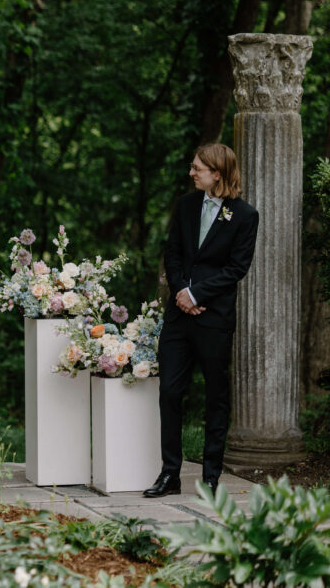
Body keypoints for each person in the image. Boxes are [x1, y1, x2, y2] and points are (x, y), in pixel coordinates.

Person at [144, 143, 258, 498]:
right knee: (169, 393)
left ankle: (210, 478)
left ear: (217, 173)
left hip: (214, 318)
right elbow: (173, 252)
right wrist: (181, 292)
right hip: (179, 317)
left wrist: (198, 295)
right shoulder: (186, 205)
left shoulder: (244, 215)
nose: (191, 173)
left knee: (215, 397)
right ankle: (170, 474)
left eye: (197, 168)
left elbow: (237, 268)